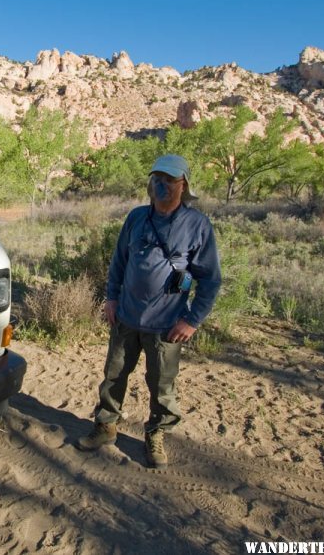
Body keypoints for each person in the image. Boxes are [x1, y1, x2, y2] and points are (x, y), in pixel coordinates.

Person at [77, 154, 221, 468]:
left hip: (166, 325)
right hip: (126, 317)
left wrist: (191, 320)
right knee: (113, 377)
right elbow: (119, 262)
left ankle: (155, 435)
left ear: (184, 186)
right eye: (157, 178)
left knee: (162, 386)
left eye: (170, 180)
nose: (162, 185)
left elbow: (210, 279)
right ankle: (105, 426)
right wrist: (111, 298)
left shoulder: (197, 225)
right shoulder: (137, 217)